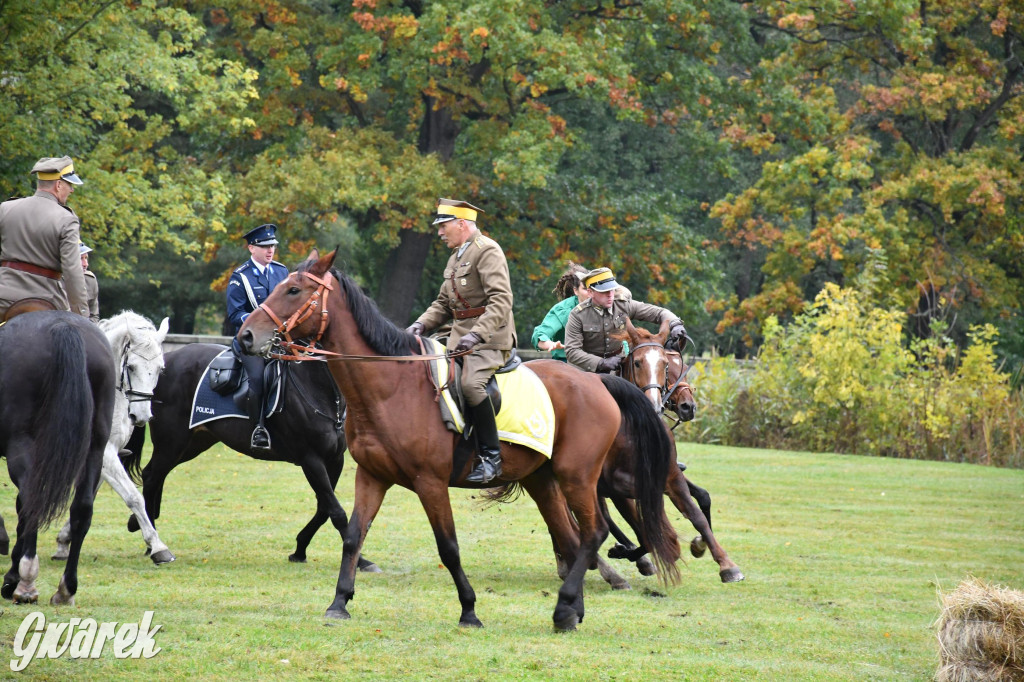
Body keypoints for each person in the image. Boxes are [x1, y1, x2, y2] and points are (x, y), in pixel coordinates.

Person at [406, 199, 516, 484]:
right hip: (459, 338)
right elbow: (443, 304)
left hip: (490, 339)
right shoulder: (456, 256)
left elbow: (501, 300)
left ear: (462, 224)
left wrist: (477, 334)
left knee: (470, 385)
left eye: (444, 226)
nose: (440, 233)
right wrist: (419, 325)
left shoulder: (487, 250)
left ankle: (491, 457)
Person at [0, 156, 89, 320]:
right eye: (69, 185)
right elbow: (72, 272)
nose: (71, 190)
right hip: (46, 302)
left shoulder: (6, 208)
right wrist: (82, 316)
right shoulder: (66, 219)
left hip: (3, 299)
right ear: (58, 185)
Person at [226, 223, 289, 450]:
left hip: (280, 340)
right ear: (251, 248)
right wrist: (260, 322)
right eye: (264, 246)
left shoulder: (282, 272)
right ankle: (258, 428)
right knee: (259, 379)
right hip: (252, 342)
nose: (270, 250)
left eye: (272, 246)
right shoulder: (240, 277)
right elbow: (235, 314)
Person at [564, 267, 688, 374]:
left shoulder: (623, 305)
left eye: (612, 289)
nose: (610, 295)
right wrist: (601, 363)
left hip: (618, 366)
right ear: (590, 292)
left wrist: (675, 323)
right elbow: (572, 351)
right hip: (585, 371)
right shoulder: (577, 315)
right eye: (604, 291)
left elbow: (659, 313)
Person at [531, 262, 590, 361]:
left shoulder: (603, 305)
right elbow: (540, 335)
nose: (590, 293)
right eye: (585, 289)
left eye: (592, 288)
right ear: (576, 291)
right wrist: (551, 344)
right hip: (566, 363)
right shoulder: (563, 309)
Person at [80, 243, 100, 322]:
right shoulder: (57, 280)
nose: (85, 264)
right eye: (80, 258)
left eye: (86, 258)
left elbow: (94, 316)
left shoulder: (90, 279)